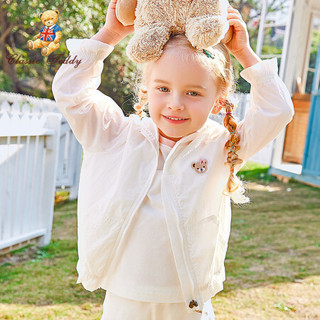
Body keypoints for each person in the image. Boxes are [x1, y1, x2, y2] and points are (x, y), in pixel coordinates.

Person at [52, 0, 294, 319]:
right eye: (163, 88)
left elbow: (279, 110)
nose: (175, 104)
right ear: (146, 91)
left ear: (219, 100)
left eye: (193, 93)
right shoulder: (114, 135)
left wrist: (244, 53)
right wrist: (109, 33)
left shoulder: (222, 145)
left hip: (187, 301)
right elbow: (69, 90)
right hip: (125, 295)